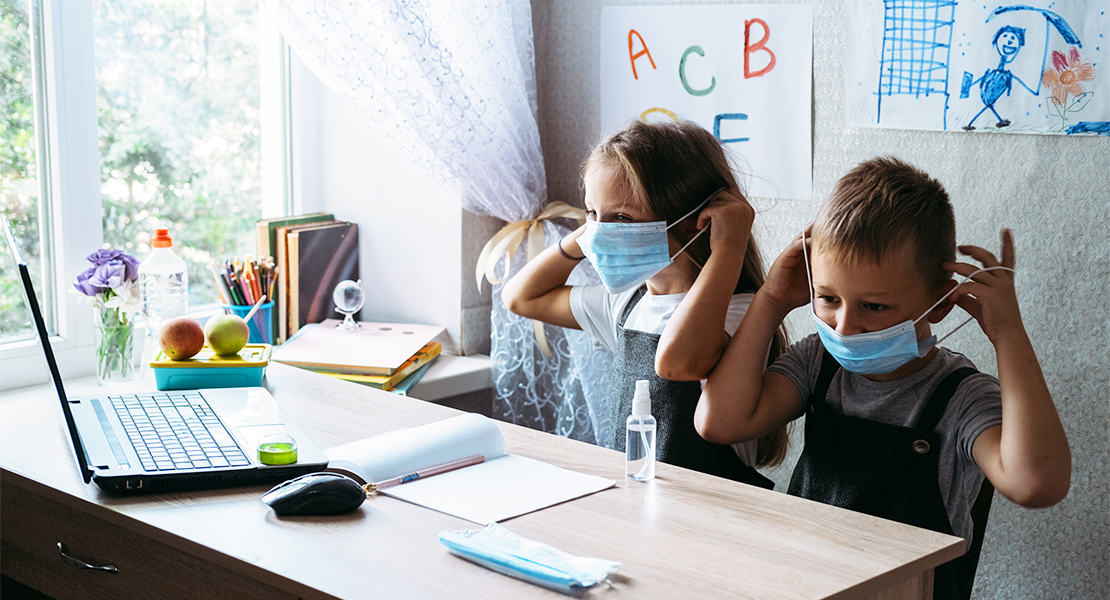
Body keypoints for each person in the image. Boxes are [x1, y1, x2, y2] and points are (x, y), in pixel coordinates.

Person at [696, 156, 1071, 599]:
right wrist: (773, 298)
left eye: (874, 307)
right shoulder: (818, 362)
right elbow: (719, 423)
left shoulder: (962, 396)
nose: (844, 326)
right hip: (809, 584)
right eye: (829, 298)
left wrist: (1008, 334)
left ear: (940, 304)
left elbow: (1037, 485)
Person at [501, 119, 787, 488]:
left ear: (694, 222)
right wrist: (591, 233)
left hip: (711, 517)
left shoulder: (743, 312)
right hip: (638, 505)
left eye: (622, 217)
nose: (600, 231)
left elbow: (679, 361)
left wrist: (728, 246)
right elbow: (521, 297)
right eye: (591, 213)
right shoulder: (628, 304)